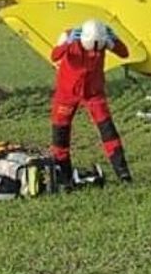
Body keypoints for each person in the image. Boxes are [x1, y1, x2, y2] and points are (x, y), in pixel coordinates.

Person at [49, 19, 132, 185]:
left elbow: (125, 53)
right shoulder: (68, 36)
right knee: (60, 135)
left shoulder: (105, 38)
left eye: (98, 49)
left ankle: (123, 174)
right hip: (67, 93)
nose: (94, 52)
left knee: (108, 131)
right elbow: (54, 55)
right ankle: (64, 176)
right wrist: (67, 43)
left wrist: (113, 42)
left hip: (94, 93)